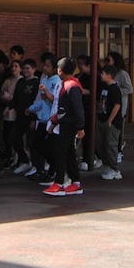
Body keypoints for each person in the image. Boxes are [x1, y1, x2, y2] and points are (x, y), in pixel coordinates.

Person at [42, 56, 85, 196]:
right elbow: (61, 109)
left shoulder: (71, 86)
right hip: (64, 124)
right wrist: (54, 122)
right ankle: (75, 183)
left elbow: (77, 109)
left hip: (68, 126)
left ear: (60, 70)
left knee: (60, 153)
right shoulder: (67, 84)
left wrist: (80, 127)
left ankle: (59, 183)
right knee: (69, 154)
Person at [24, 52, 59, 181]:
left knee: (46, 146)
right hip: (42, 117)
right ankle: (42, 169)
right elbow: (42, 99)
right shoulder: (44, 78)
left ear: (54, 69)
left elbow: (54, 100)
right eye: (44, 65)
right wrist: (31, 109)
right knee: (36, 144)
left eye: (47, 66)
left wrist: (47, 92)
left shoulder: (57, 81)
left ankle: (52, 169)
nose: (44, 68)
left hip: (51, 119)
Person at [9, 58, 38, 174]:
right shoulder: (20, 82)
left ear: (34, 69)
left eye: (28, 68)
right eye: (24, 68)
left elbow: (37, 101)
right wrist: (10, 107)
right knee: (13, 138)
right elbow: (15, 97)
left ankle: (36, 165)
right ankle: (24, 160)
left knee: (31, 142)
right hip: (19, 115)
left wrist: (34, 118)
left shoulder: (36, 83)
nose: (25, 71)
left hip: (31, 116)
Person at [96, 65, 123, 180]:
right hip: (102, 119)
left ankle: (115, 169)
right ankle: (107, 166)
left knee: (110, 144)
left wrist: (110, 120)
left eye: (103, 73)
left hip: (112, 122)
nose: (101, 75)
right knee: (101, 144)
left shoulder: (115, 89)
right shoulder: (104, 87)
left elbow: (117, 105)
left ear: (109, 75)